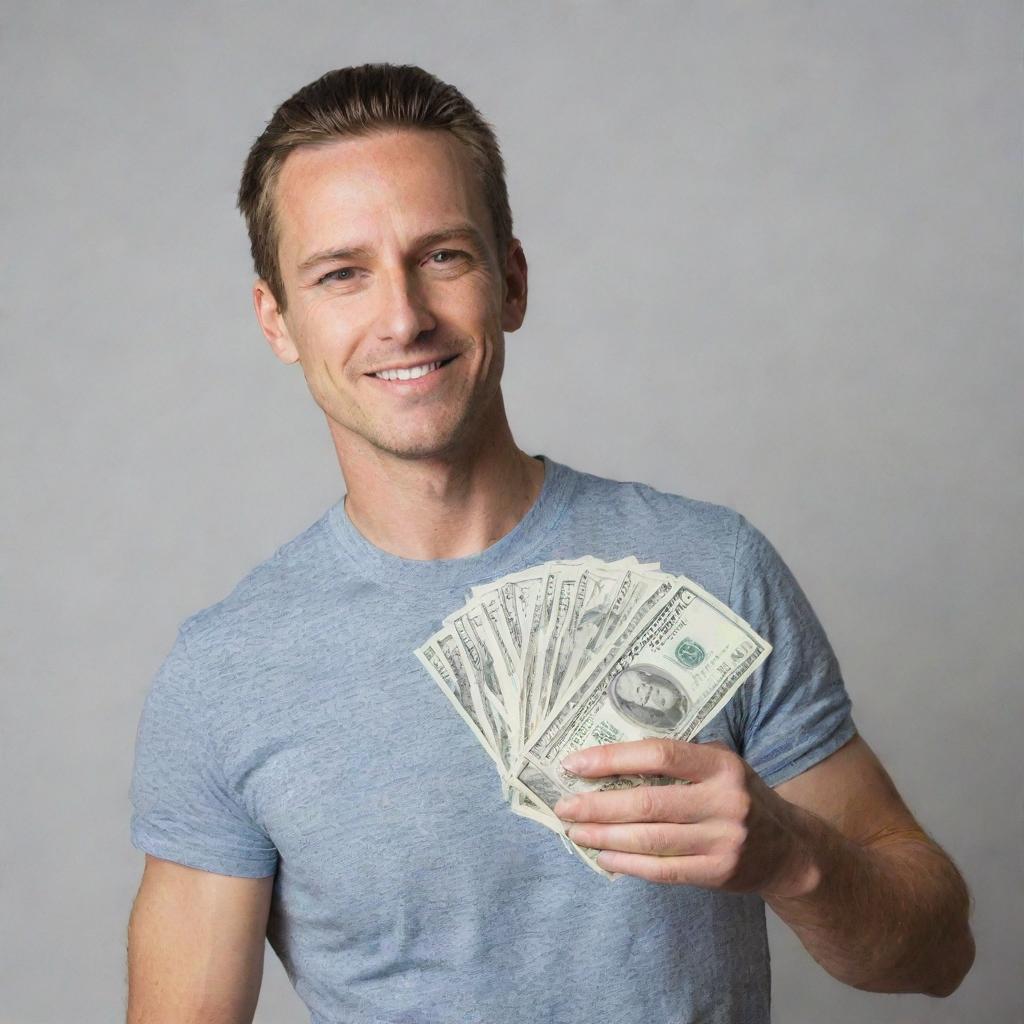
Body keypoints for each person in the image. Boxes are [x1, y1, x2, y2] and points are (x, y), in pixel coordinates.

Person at [125, 63, 974, 1023]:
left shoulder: (713, 567)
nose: (402, 317)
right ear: (277, 319)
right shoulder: (226, 673)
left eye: (442, 256)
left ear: (512, 281)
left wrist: (795, 856)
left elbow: (939, 951)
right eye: (341, 275)